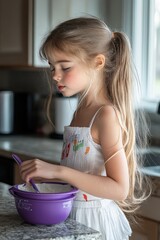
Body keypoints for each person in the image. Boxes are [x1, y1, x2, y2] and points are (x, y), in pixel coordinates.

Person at [20, 17, 150, 240]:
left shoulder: (105, 115)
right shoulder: (80, 111)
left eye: (65, 66)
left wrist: (57, 170)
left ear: (97, 63)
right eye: (52, 66)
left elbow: (120, 189)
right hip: (72, 217)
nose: (55, 75)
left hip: (96, 224)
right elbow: (81, 177)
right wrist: (52, 181)